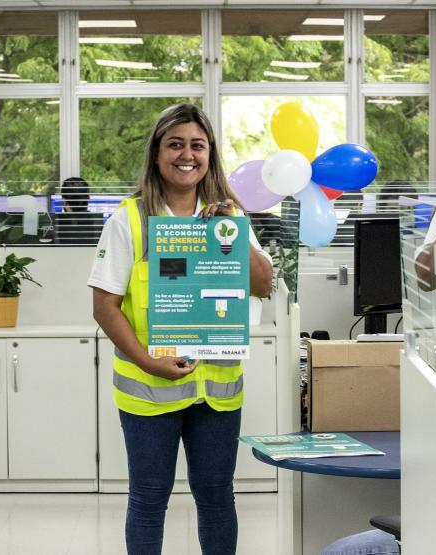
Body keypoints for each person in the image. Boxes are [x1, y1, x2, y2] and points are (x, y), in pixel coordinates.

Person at [88, 103, 273, 554]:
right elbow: (104, 306)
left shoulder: (228, 216)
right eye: (175, 145)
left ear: (209, 155)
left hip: (217, 391)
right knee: (149, 498)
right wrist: (149, 360)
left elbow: (264, 284)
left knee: (216, 497)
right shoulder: (129, 220)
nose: (186, 155)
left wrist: (232, 228)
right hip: (149, 389)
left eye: (197, 145)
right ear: (156, 154)